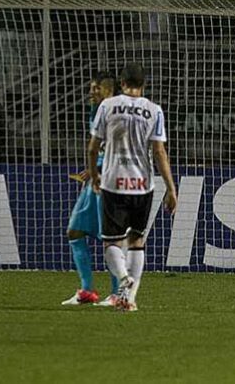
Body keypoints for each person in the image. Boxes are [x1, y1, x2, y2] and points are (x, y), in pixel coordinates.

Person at [88, 63, 177, 312]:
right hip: (143, 185)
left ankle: (123, 278)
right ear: (143, 85)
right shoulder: (154, 110)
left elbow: (93, 147)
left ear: (122, 84)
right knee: (137, 240)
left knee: (111, 243)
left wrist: (95, 175)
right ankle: (130, 298)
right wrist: (171, 188)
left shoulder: (107, 106)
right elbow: (159, 152)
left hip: (114, 182)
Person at [61, 72, 121, 307]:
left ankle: (117, 295)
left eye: (96, 88)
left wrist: (96, 166)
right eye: (91, 87)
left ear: (110, 90)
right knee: (74, 231)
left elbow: (120, 148)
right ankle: (87, 290)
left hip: (112, 182)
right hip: (95, 182)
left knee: (111, 240)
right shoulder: (95, 111)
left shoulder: (117, 113)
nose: (92, 91)